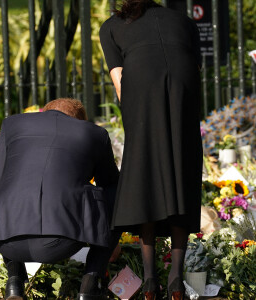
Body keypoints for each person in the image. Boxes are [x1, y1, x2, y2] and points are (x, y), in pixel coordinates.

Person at [100, 0, 202, 299]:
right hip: (184, 84)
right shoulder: (183, 21)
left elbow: (120, 81)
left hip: (141, 83)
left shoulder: (112, 26)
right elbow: (194, 69)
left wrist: (137, 123)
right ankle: (175, 280)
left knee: (144, 171)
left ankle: (148, 280)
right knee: (181, 168)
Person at [0, 98, 120, 300]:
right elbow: (110, 187)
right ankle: (91, 283)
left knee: (4, 192)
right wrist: (108, 238)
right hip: (61, 242)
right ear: (80, 121)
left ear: (44, 113)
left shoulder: (12, 125)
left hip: (6, 241)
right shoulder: (94, 133)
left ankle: (14, 281)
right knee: (115, 190)